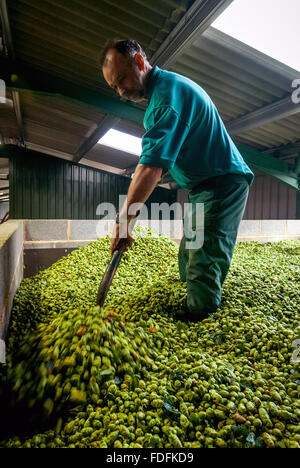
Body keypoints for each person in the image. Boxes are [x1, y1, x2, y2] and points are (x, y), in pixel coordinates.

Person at [101, 39, 254, 322]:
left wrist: (123, 223)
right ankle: (191, 297)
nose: (121, 90)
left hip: (223, 184)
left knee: (203, 261)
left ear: (138, 62)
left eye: (121, 79)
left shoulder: (166, 100)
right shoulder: (165, 91)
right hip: (202, 188)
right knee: (189, 255)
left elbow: (150, 169)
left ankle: (200, 320)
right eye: (114, 87)